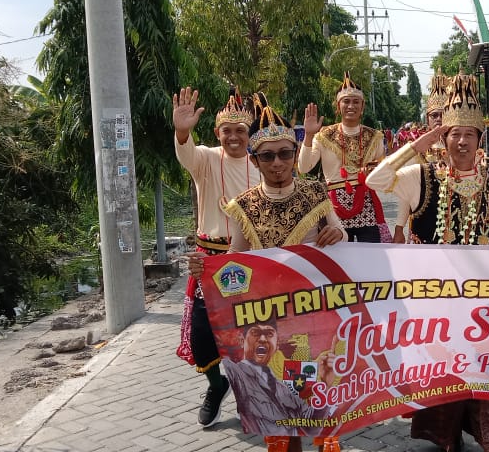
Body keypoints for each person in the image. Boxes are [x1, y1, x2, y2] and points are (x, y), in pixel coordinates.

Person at [366, 73, 489, 452]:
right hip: (435, 301)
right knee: (443, 371)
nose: (462, 141)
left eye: (470, 134)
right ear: (444, 138)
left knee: (483, 373)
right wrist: (416, 146)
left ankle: (487, 437)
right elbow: (373, 180)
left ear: (480, 141)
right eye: (454, 134)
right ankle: (445, 438)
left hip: (484, 300)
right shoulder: (422, 176)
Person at [190, 94, 347, 452]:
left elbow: (341, 235)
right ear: (255, 160)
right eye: (268, 156)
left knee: (318, 395)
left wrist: (339, 233)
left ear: (295, 154)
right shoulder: (243, 205)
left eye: (285, 154)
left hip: (314, 313)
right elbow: (235, 259)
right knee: (279, 404)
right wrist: (207, 270)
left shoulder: (315, 193)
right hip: (268, 320)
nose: (278, 163)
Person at [172, 87, 260, 427]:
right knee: (202, 336)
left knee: (249, 332)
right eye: (228, 130)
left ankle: (251, 392)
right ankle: (215, 385)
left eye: (240, 130)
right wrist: (182, 130)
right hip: (208, 260)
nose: (234, 136)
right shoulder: (207, 159)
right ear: (217, 132)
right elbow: (186, 153)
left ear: (248, 133)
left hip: (250, 261)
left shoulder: (260, 165)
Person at [299, 72, 389, 243]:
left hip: (366, 204)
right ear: (338, 106)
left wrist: (374, 172)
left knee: (371, 255)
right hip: (334, 205)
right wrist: (309, 135)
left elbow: (383, 174)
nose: (351, 106)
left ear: (362, 107)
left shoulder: (374, 136)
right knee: (337, 256)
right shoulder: (323, 135)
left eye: (356, 102)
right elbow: (304, 168)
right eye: (346, 101)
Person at [223, 318, 336, 438]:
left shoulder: (281, 386)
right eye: (255, 333)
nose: (262, 339)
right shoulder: (236, 371)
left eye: (269, 334)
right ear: (242, 340)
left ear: (277, 345)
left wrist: (326, 385)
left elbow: (312, 427)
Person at [393, 69, 451, 244]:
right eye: (435, 115)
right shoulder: (417, 148)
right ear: (427, 119)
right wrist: (398, 228)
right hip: (422, 222)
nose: (439, 119)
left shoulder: (461, 148)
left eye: (444, 114)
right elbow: (405, 194)